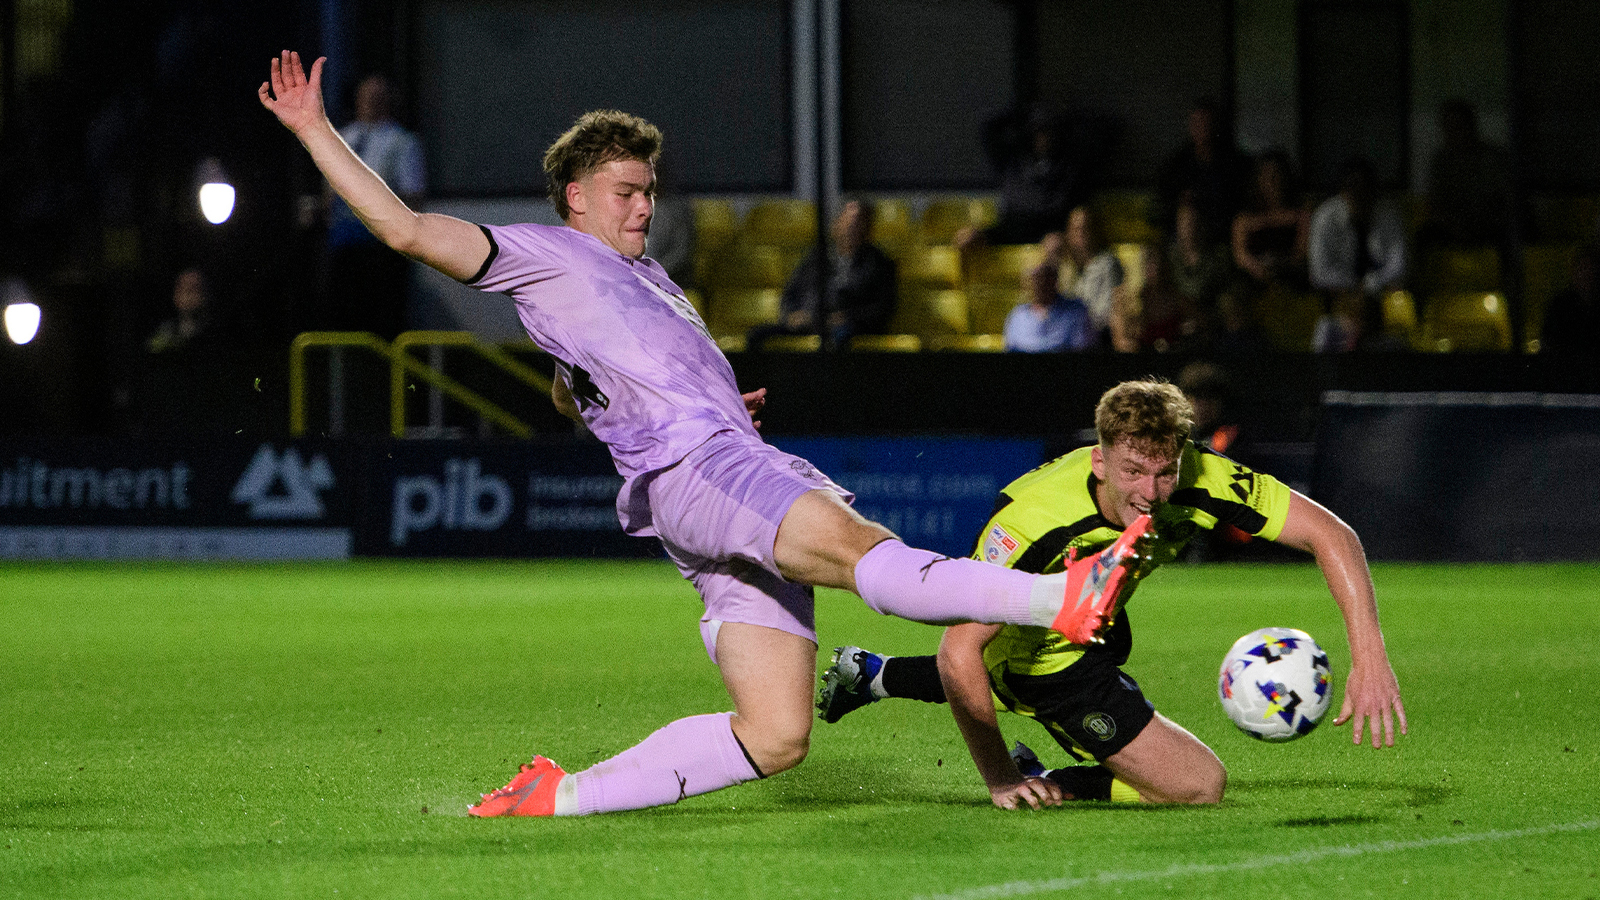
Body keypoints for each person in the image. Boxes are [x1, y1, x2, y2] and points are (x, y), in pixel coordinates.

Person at [260, 51, 1152, 818]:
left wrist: (717, 403)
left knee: (777, 735)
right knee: (860, 551)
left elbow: (581, 390)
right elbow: (407, 230)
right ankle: (1055, 601)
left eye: (650, 189)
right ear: (575, 197)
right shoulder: (546, 252)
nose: (644, 206)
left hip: (704, 477)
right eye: (625, 191)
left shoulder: (645, 277)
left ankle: (559, 795)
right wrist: (313, 130)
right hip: (704, 472)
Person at [816, 380, 1407, 810]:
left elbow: (1332, 534)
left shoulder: (1202, 475)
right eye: (1131, 472)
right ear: (1099, 460)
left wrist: (1371, 655)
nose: (1150, 493)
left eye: (1164, 472)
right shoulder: (1034, 524)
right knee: (1198, 787)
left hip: (1096, 621)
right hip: (1044, 664)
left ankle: (874, 673)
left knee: (1075, 638)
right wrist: (1000, 779)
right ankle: (1042, 772)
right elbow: (959, 652)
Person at [320, 73, 427, 338]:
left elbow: (413, 196)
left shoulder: (402, 142)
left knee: (382, 323)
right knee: (342, 321)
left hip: (382, 249)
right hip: (344, 246)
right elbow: (329, 194)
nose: (370, 102)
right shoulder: (342, 138)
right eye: (366, 96)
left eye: (377, 97)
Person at [746, 199, 897, 351]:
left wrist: (845, 317)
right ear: (837, 224)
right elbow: (791, 292)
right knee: (757, 335)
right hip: (809, 322)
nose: (851, 228)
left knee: (838, 340)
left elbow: (881, 309)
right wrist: (792, 314)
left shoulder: (879, 264)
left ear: (868, 229)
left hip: (847, 328)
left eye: (858, 223)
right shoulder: (817, 257)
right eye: (848, 221)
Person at [1308, 156, 1408, 299]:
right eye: (1352, 187)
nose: (1358, 194)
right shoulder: (1325, 217)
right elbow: (1319, 271)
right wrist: (1354, 286)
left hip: (1383, 292)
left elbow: (1399, 265)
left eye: (1364, 188)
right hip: (1340, 296)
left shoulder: (1388, 214)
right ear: (1342, 192)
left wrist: (1371, 284)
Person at [1154, 99, 1250, 241]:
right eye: (1196, 122)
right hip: (1185, 236)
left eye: (1206, 122)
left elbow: (1238, 201)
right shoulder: (1177, 164)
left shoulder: (1233, 161)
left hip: (1223, 234)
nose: (1202, 128)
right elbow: (1165, 201)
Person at [1231, 150, 1309, 292]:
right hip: (1253, 282)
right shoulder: (1245, 219)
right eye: (1266, 175)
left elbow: (1301, 253)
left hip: (1290, 279)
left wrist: (1281, 266)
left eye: (1277, 174)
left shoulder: (1300, 215)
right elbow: (1240, 255)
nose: (1272, 180)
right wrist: (1258, 269)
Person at [1043, 205, 1123, 338]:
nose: (1081, 234)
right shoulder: (1065, 267)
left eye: (1086, 228)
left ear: (1096, 230)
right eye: (1076, 229)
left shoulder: (1108, 265)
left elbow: (1106, 314)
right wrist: (1052, 260)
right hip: (1064, 336)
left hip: (1097, 338)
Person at [1002, 258, 1095, 352]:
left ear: (1055, 281)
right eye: (1034, 279)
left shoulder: (1076, 312)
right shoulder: (1016, 316)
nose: (1039, 284)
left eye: (1044, 278)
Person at [1539, 244, 1600, 355]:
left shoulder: (1561, 304)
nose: (1587, 275)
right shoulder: (1561, 306)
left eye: (1591, 270)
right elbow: (1549, 342)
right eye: (1582, 269)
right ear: (1574, 273)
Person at [146, 267, 215, 354]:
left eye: (195, 289)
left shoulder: (217, 335)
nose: (188, 295)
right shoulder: (165, 333)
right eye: (183, 289)